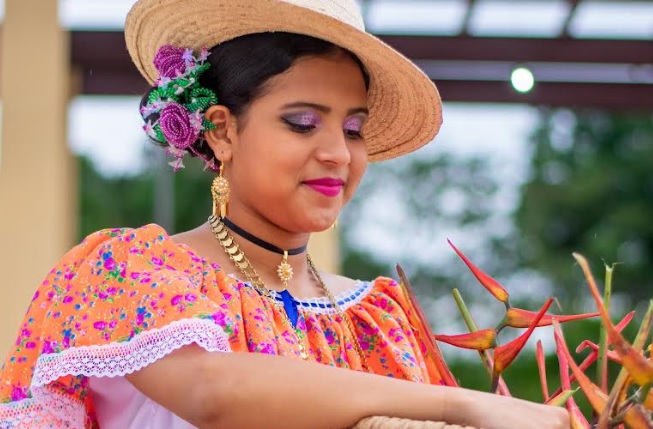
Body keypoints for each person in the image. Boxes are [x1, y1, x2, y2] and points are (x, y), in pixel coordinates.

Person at [0, 1, 570, 428]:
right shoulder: (130, 271)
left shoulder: (378, 315)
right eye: (302, 122)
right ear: (223, 130)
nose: (338, 154)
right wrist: (462, 404)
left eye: (354, 129)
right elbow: (213, 393)